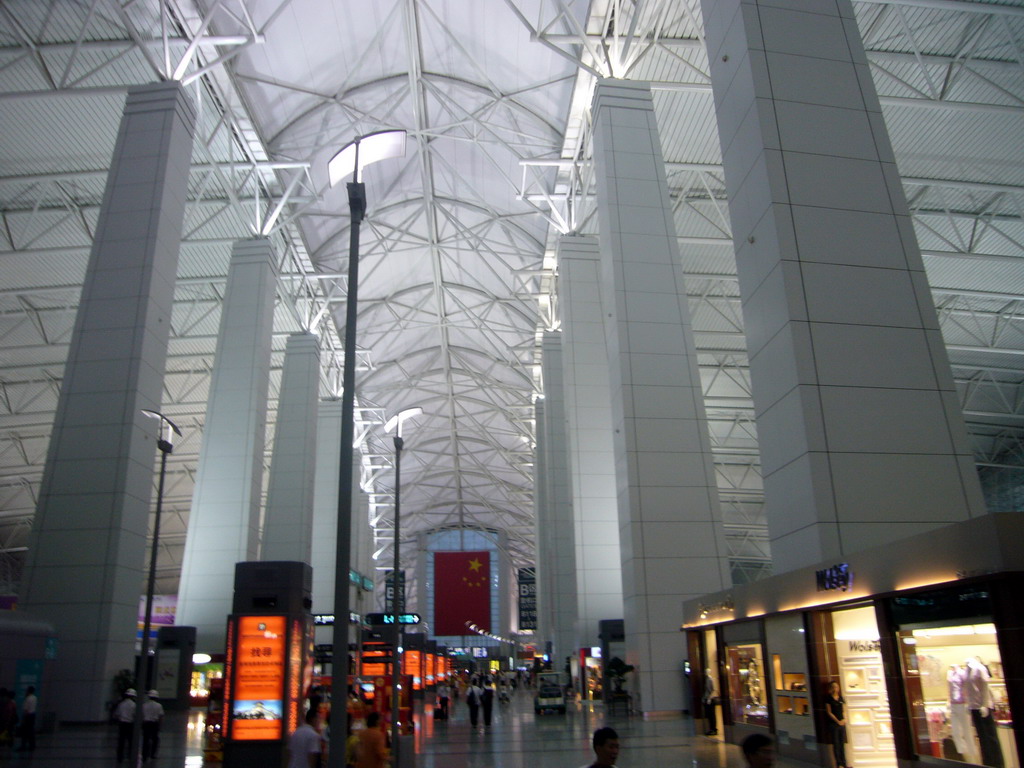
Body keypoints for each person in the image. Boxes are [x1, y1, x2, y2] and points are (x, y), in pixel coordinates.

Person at [825, 681, 849, 768]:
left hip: (842, 723)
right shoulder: (828, 699)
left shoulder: (841, 698)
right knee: (836, 744)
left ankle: (844, 763)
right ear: (831, 688)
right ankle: (838, 764)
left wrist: (844, 719)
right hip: (834, 724)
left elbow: (844, 710)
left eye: (837, 687)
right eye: (834, 687)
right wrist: (837, 721)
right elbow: (829, 712)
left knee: (842, 743)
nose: (836, 689)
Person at [113, 688, 136, 763]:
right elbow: (135, 715)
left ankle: (120, 757)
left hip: (122, 724)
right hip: (130, 724)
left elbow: (116, 715)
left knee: (121, 741)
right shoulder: (134, 705)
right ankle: (130, 756)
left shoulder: (121, 704)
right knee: (130, 741)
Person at [142, 689, 164, 760]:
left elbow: (141, 715)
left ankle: (144, 755)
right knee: (155, 740)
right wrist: (160, 725)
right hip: (154, 724)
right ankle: (153, 754)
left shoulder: (144, 705)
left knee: (146, 739)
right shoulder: (159, 706)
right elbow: (160, 716)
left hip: (146, 723)